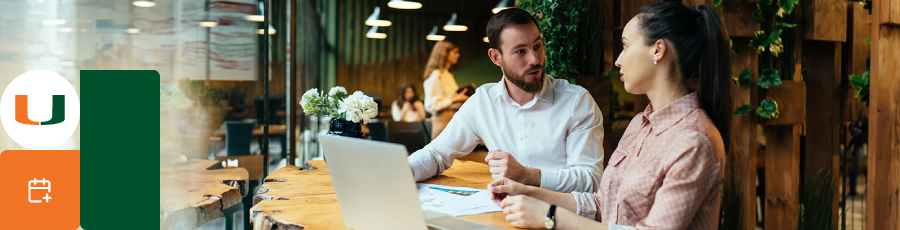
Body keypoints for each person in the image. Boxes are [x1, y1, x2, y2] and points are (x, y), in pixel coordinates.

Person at [486, 3, 731, 229]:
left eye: (625, 46)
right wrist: (526, 192)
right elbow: (603, 205)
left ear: (658, 50)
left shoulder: (694, 141)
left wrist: (550, 215)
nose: (618, 60)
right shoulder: (641, 123)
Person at [407, 8, 605, 194]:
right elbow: (436, 154)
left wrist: (529, 176)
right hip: (503, 213)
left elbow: (592, 180)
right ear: (496, 57)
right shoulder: (482, 102)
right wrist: (401, 172)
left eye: (537, 46)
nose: (534, 59)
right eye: (521, 51)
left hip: (560, 216)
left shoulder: (576, 102)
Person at [422, 40, 469, 138]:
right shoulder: (436, 75)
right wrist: (455, 99)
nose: (458, 55)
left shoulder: (448, 74)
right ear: (445, 54)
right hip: (441, 122)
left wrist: (461, 99)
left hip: (452, 120)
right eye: (455, 52)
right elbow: (431, 105)